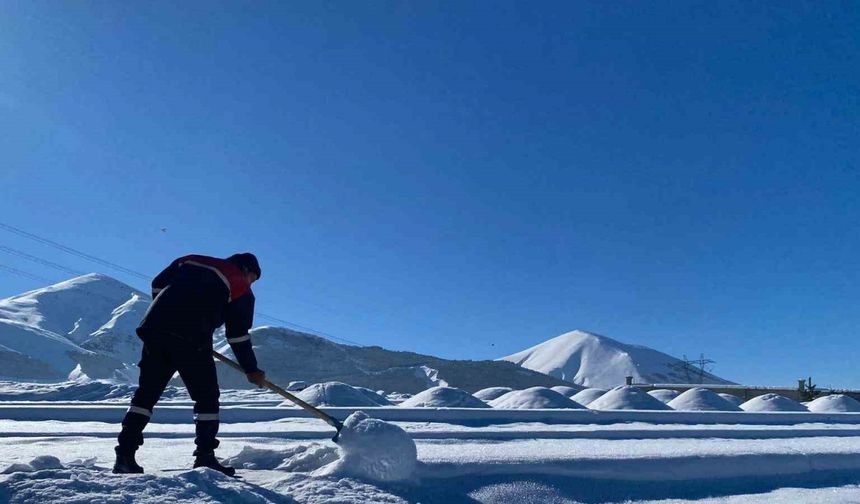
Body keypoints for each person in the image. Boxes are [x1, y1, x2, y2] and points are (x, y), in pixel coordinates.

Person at [114, 253, 266, 476]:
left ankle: (124, 456)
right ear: (246, 270)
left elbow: (157, 283)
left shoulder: (191, 260)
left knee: (146, 395)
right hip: (192, 338)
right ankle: (205, 457)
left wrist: (168, 315)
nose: (252, 282)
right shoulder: (241, 286)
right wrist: (251, 370)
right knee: (206, 398)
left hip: (155, 330)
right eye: (253, 277)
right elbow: (237, 336)